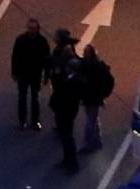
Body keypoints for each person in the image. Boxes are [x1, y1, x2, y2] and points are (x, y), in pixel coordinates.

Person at [10, 17, 50, 130]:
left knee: (35, 98)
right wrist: (14, 72)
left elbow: (46, 60)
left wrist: (46, 75)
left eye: (33, 28)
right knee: (22, 98)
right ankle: (22, 121)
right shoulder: (21, 40)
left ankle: (35, 121)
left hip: (35, 75)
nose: (31, 30)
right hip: (23, 74)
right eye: (30, 28)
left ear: (38, 29)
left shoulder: (42, 41)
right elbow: (15, 57)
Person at [49, 40, 84, 171]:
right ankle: (67, 160)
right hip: (64, 110)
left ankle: (72, 163)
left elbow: (66, 95)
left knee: (68, 137)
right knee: (65, 137)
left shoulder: (74, 82)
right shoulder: (70, 78)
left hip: (67, 112)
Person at [78, 42, 115, 150]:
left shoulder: (94, 66)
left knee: (90, 121)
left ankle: (89, 143)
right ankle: (97, 141)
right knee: (93, 119)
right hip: (91, 97)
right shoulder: (92, 64)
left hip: (92, 98)